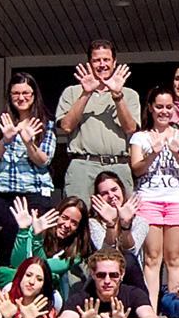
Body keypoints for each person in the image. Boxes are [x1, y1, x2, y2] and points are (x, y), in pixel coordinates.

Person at [0, 72, 58, 273]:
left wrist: (28, 142)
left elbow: (44, 160)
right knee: (6, 251)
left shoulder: (45, 124)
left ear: (34, 96)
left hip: (34, 192)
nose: (21, 97)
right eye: (16, 93)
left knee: (33, 248)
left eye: (26, 93)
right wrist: (5, 140)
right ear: (9, 95)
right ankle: (5, 296)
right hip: (1, 193)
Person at [56, 39, 141, 203]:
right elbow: (66, 127)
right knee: (79, 219)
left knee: (120, 220)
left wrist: (117, 96)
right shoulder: (72, 92)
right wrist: (86, 93)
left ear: (114, 62)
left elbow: (130, 128)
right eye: (97, 60)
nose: (102, 64)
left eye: (106, 60)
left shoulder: (129, 94)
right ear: (90, 63)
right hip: (83, 165)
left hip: (118, 165)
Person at [131, 88, 179, 302]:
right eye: (159, 106)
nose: (164, 111)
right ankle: (150, 307)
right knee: (152, 258)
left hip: (177, 200)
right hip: (149, 199)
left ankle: (174, 307)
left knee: (175, 258)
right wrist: (153, 153)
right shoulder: (140, 137)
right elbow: (137, 169)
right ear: (150, 108)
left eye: (169, 107)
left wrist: (176, 152)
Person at [0, 198, 93, 299]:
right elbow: (17, 263)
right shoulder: (37, 227)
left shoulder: (76, 253)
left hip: (48, 293)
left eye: (74, 223)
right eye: (64, 217)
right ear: (56, 215)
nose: (67, 225)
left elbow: (41, 269)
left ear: (79, 228)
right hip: (21, 287)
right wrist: (24, 230)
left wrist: (37, 239)